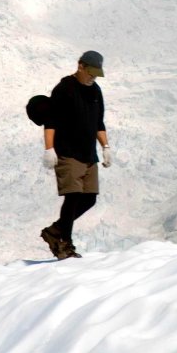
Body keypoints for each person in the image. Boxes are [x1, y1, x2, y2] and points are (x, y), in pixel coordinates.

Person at [39, 50, 111, 259]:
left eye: (96, 74)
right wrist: (49, 149)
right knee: (73, 198)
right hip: (68, 152)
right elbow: (50, 121)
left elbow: (99, 122)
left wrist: (105, 147)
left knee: (89, 199)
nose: (93, 77)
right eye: (90, 73)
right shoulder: (64, 89)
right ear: (80, 66)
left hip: (89, 154)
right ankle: (64, 244)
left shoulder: (95, 91)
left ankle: (54, 231)